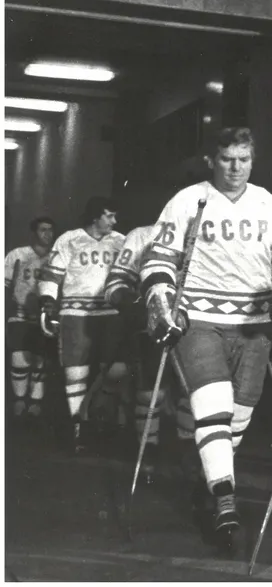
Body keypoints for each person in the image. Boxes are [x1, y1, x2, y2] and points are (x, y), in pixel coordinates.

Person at [139, 127, 272, 547]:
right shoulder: (189, 199)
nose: (235, 167)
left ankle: (210, 481)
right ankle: (226, 499)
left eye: (243, 159)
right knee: (213, 405)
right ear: (212, 161)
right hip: (200, 318)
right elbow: (159, 256)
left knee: (240, 415)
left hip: (254, 321)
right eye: (227, 159)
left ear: (252, 160)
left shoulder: (266, 202)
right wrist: (161, 298)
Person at [106, 221, 195, 484]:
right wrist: (140, 305)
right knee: (151, 392)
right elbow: (116, 283)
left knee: (193, 391)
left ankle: (188, 451)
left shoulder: (207, 230)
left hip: (199, 323)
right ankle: (148, 450)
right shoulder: (141, 235)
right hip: (155, 322)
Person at [37, 197, 127, 452]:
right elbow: (52, 274)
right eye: (109, 215)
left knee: (116, 369)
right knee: (76, 371)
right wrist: (48, 303)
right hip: (75, 313)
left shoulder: (121, 241)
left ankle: (100, 416)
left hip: (110, 312)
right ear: (95, 217)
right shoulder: (70, 239)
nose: (114, 221)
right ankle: (78, 426)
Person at [5, 216, 56, 421]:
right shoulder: (17, 254)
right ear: (34, 233)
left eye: (51, 230)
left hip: (44, 316)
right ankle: (19, 400)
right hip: (20, 313)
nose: (48, 234)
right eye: (43, 230)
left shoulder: (56, 257)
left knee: (40, 359)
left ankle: (35, 403)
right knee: (19, 357)